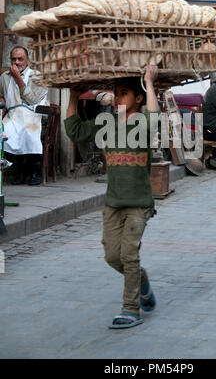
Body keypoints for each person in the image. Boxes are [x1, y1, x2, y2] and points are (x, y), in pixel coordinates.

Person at [64, 65, 159, 329]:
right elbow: (74, 131)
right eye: (116, 93)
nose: (118, 98)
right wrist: (73, 96)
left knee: (129, 254)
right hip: (113, 203)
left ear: (138, 98)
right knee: (112, 257)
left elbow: (154, 119)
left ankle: (131, 309)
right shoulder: (105, 123)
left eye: (124, 93)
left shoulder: (143, 123)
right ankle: (141, 281)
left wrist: (149, 83)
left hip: (139, 203)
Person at [0, 46, 48, 185]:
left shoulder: (37, 76)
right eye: (13, 59)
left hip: (33, 115)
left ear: (27, 60)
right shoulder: (4, 77)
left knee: (28, 132)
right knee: (5, 133)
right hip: (13, 115)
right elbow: (2, 98)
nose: (16, 63)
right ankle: (20, 170)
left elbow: (32, 100)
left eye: (20, 59)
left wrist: (18, 79)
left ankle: (36, 170)